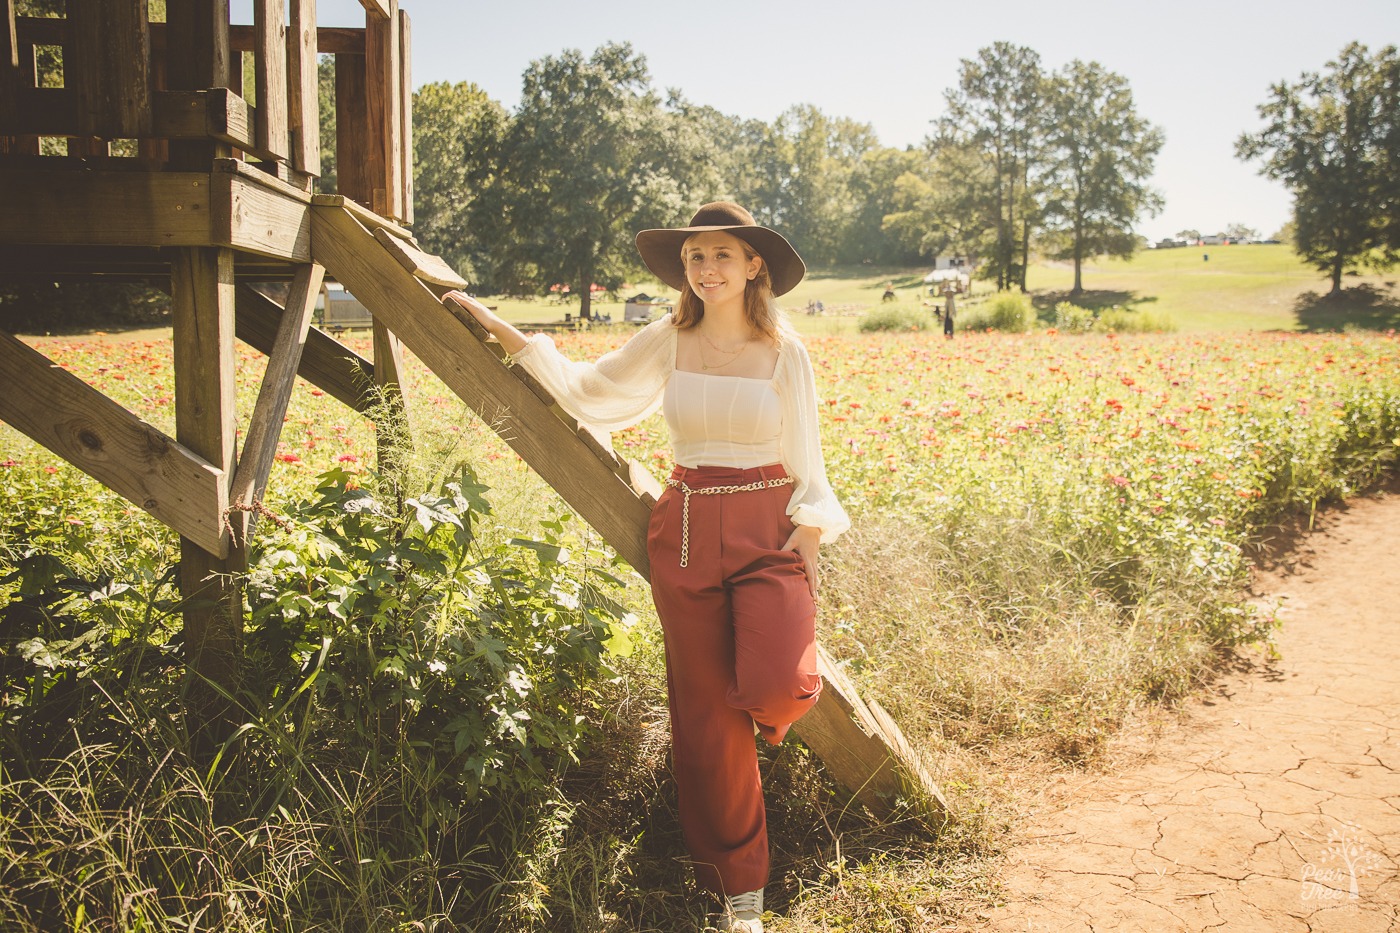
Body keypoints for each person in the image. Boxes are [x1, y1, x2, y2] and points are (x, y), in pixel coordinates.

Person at [443, 202, 850, 933]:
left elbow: (809, 459)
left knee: (776, 687)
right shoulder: (671, 337)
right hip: (689, 527)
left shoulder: (786, 352)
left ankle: (767, 737)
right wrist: (493, 324)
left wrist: (810, 538)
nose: (707, 269)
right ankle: (740, 897)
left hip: (767, 528)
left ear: (754, 264)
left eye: (722, 254)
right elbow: (589, 390)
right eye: (695, 257)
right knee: (707, 721)